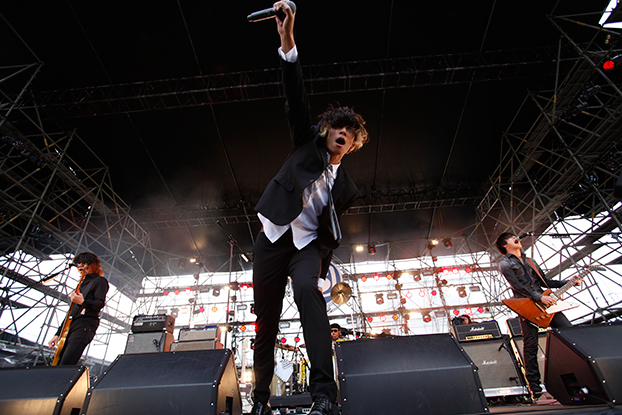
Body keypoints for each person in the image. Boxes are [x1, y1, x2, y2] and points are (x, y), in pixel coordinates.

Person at [250, 2, 368, 414]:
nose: (343, 132)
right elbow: (294, 94)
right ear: (326, 131)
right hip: (271, 240)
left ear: (353, 144)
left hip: (306, 249)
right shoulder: (305, 143)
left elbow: (329, 229)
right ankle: (260, 399)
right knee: (265, 323)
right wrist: (287, 40)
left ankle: (323, 396)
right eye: (338, 126)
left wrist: (320, 266)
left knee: (307, 292)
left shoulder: (346, 187)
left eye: (350, 131)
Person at [495, 233, 581, 399]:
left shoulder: (530, 261)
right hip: (528, 306)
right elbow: (517, 286)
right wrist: (538, 297)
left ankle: (577, 380)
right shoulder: (505, 263)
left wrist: (568, 282)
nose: (516, 237)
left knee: (571, 336)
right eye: (512, 237)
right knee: (531, 346)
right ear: (505, 244)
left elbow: (544, 282)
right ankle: (535, 389)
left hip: (545, 303)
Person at [48, 252, 109, 365]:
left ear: (93, 265)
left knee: (66, 363)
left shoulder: (100, 281)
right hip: (71, 325)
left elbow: (100, 304)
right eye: (78, 264)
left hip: (85, 325)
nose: (80, 267)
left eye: (84, 263)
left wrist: (83, 302)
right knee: (58, 363)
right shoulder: (81, 285)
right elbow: (72, 311)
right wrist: (58, 334)